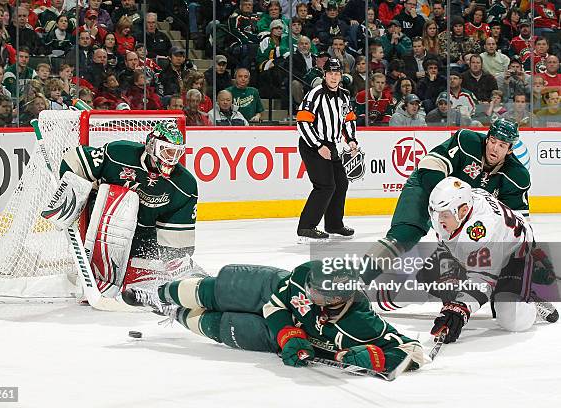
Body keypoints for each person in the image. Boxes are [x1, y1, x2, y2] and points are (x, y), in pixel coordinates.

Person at [121, 260, 424, 373]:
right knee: (218, 291)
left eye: (317, 293)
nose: (309, 293)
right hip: (269, 292)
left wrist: (376, 358)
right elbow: (274, 305)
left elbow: (414, 352)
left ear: (336, 298)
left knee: (221, 327)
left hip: (281, 338)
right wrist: (289, 333)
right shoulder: (304, 277)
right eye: (310, 288)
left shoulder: (362, 322)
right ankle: (160, 294)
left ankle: (173, 313)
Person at [360, 118, 531, 285]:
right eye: (493, 141)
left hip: (462, 214)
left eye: (502, 145)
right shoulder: (467, 141)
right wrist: (445, 207)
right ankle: (358, 279)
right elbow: (430, 165)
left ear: (510, 150)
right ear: (487, 138)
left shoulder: (517, 177)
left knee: (472, 253)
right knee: (404, 235)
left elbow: (516, 224)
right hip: (426, 186)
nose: (494, 148)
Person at [54, 122, 198, 298]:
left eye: (177, 152)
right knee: (124, 200)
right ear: (152, 145)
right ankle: (98, 270)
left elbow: (177, 239)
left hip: (143, 237)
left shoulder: (185, 185)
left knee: (150, 281)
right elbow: (75, 160)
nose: (172, 158)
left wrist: (175, 263)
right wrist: (69, 199)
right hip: (103, 226)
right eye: (167, 151)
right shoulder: (118, 153)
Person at [427, 177, 558, 344]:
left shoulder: (482, 229)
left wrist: (460, 308)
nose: (438, 220)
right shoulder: (458, 206)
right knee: (429, 281)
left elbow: (483, 279)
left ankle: (530, 290)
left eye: (444, 214)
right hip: (482, 252)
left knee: (513, 320)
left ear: (463, 211)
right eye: (435, 212)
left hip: (514, 254)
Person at [295, 58, 359, 241]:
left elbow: (349, 119)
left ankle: (334, 224)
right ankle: (306, 227)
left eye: (337, 73)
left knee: (341, 183)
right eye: (330, 73)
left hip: (332, 145)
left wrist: (352, 139)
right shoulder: (314, 94)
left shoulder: (344, 96)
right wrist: (318, 146)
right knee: (325, 186)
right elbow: (302, 122)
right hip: (312, 144)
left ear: (341, 75)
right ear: (324, 75)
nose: (333, 76)